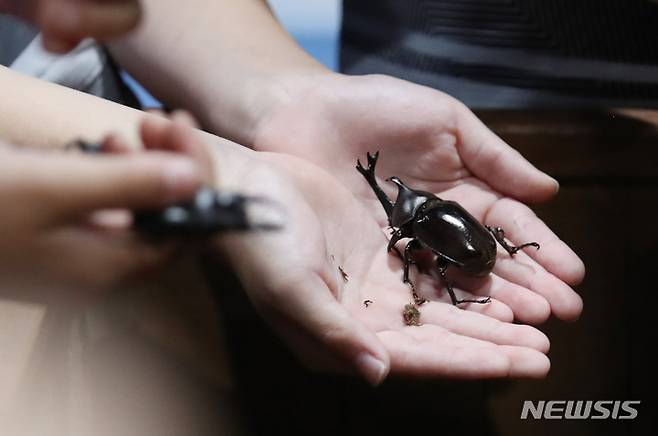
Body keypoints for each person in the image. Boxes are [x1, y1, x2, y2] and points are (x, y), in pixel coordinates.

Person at [0, 0, 580, 387]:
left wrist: (280, 98)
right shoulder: (417, 221)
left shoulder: (416, 223)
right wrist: (226, 171)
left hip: (113, 242)